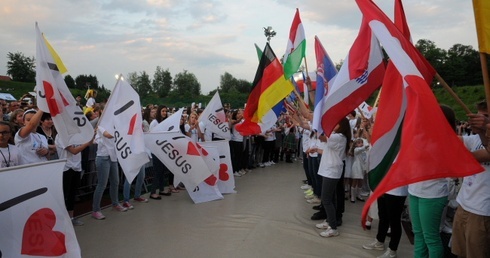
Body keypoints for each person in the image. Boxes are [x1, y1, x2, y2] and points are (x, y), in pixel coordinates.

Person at [408, 105, 453, 258]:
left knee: (431, 238)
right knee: (418, 235)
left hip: (432, 194)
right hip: (414, 190)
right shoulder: (422, 135)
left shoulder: (448, 140)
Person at [451, 101, 490, 258]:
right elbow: (449, 143)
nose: (479, 119)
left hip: (482, 212)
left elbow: (476, 157)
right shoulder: (473, 139)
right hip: (463, 205)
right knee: (460, 253)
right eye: (478, 115)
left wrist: (484, 129)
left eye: (485, 116)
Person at [314, 117, 351, 238]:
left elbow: (322, 137)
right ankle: (330, 221)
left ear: (342, 126)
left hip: (332, 172)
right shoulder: (337, 136)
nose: (334, 123)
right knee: (331, 198)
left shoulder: (338, 137)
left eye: (337, 123)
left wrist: (316, 126)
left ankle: (333, 228)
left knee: (326, 199)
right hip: (329, 170)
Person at [56, 133, 94, 226]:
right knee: (64, 194)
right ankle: (62, 219)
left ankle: (71, 217)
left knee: (72, 194)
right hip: (66, 168)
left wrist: (92, 134)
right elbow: (73, 151)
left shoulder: (77, 136)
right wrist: (86, 144)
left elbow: (90, 141)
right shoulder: (61, 135)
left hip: (76, 167)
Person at [92, 125, 127, 220]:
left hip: (113, 157)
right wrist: (121, 131)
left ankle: (115, 203)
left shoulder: (114, 125)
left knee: (115, 182)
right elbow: (107, 135)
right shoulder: (101, 126)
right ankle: (95, 210)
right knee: (102, 184)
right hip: (103, 157)